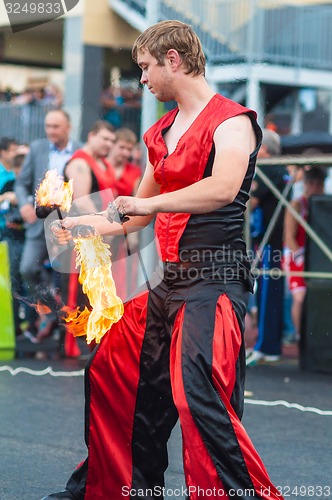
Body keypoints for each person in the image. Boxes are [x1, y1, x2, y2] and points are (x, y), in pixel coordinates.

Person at [44, 20, 283, 500]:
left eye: (147, 67)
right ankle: (120, 488)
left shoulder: (233, 121)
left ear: (173, 59)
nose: (143, 80)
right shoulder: (159, 132)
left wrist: (148, 206)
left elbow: (221, 189)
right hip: (161, 277)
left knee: (197, 392)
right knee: (114, 372)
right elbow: (129, 215)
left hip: (212, 279)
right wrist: (78, 225)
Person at [14, 109, 82, 339]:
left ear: (68, 127)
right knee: (27, 268)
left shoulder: (81, 151)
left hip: (68, 223)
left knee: (67, 276)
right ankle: (54, 312)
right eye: (48, 126)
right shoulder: (37, 148)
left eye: (56, 127)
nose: (51, 131)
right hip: (39, 222)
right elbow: (21, 183)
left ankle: (65, 329)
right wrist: (24, 204)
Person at [246, 129, 288, 367]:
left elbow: (250, 200)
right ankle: (268, 344)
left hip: (268, 242)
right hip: (274, 242)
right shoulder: (282, 170)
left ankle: (266, 345)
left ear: (265, 149)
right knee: (270, 291)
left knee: (266, 293)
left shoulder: (270, 169)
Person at [284, 166, 326, 340]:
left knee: (319, 297)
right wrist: (300, 256)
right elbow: (289, 236)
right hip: (297, 255)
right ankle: (301, 335)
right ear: (307, 184)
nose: (316, 188)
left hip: (318, 257)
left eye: (319, 184)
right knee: (300, 298)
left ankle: (317, 333)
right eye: (312, 183)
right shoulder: (297, 204)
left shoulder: (325, 204)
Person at [107, 127, 142, 299]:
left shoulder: (134, 172)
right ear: (113, 145)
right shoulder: (101, 166)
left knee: (121, 278)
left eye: (129, 149)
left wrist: (132, 235)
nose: (125, 152)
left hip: (122, 231)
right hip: (100, 227)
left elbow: (136, 201)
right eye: (122, 147)